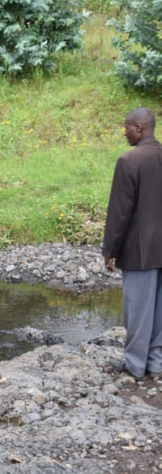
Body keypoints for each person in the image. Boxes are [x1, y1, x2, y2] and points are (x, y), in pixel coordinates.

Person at [102, 108, 162, 379]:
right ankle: (156, 364)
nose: (124, 132)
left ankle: (135, 365)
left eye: (126, 127)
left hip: (140, 250)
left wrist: (109, 250)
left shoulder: (129, 161)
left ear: (139, 128)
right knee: (160, 309)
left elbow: (119, 212)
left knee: (137, 309)